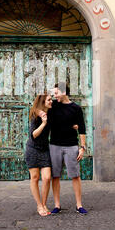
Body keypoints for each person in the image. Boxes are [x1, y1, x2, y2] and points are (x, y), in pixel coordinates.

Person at [41, 82, 88, 214]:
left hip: (72, 146)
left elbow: (82, 129)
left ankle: (79, 205)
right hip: (54, 146)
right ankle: (57, 205)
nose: (54, 96)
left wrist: (82, 147)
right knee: (55, 176)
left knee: (75, 176)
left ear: (64, 92)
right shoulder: (53, 105)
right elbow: (39, 106)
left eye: (56, 93)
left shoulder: (76, 109)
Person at [24, 94, 53, 216]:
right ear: (43, 102)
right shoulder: (35, 117)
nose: (51, 101)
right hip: (33, 149)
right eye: (49, 100)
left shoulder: (50, 113)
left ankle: (44, 203)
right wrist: (43, 123)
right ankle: (39, 205)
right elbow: (33, 135)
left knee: (46, 177)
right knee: (35, 178)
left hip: (45, 149)